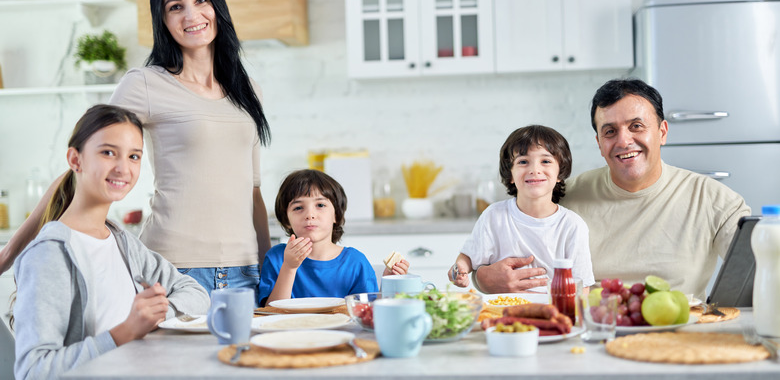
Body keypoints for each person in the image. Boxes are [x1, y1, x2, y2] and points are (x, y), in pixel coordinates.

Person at [0, 0, 272, 304]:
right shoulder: (145, 84)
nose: (192, 15)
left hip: (245, 272)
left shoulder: (249, 91)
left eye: (201, 0)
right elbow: (82, 169)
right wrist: (9, 253)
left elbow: (254, 192)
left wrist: (268, 269)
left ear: (216, 7)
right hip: (174, 270)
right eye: (175, 7)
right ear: (163, 21)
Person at [472, 79, 750, 299]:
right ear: (599, 142)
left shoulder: (713, 199)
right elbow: (504, 250)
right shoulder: (563, 197)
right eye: (610, 131)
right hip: (590, 335)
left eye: (636, 126)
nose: (624, 140)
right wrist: (481, 278)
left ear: (663, 132)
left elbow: (758, 269)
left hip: (677, 337)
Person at [12, 105, 209, 380]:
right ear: (75, 159)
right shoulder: (50, 255)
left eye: (134, 156)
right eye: (108, 153)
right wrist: (126, 331)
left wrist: (157, 315)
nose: (123, 168)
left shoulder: (122, 243)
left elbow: (196, 293)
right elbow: (34, 371)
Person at [448, 125, 594, 290]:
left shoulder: (572, 225)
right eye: (523, 162)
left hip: (551, 311)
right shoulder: (494, 216)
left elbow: (582, 286)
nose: (534, 170)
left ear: (560, 172)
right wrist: (459, 270)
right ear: (510, 175)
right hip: (501, 310)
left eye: (545, 161)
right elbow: (468, 257)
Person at [259, 169, 409, 305]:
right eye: (298, 208)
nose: (310, 214)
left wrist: (390, 282)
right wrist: (289, 268)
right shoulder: (277, 258)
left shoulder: (356, 262)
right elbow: (271, 313)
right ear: (286, 220)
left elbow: (368, 312)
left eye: (320, 205)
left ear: (336, 215)